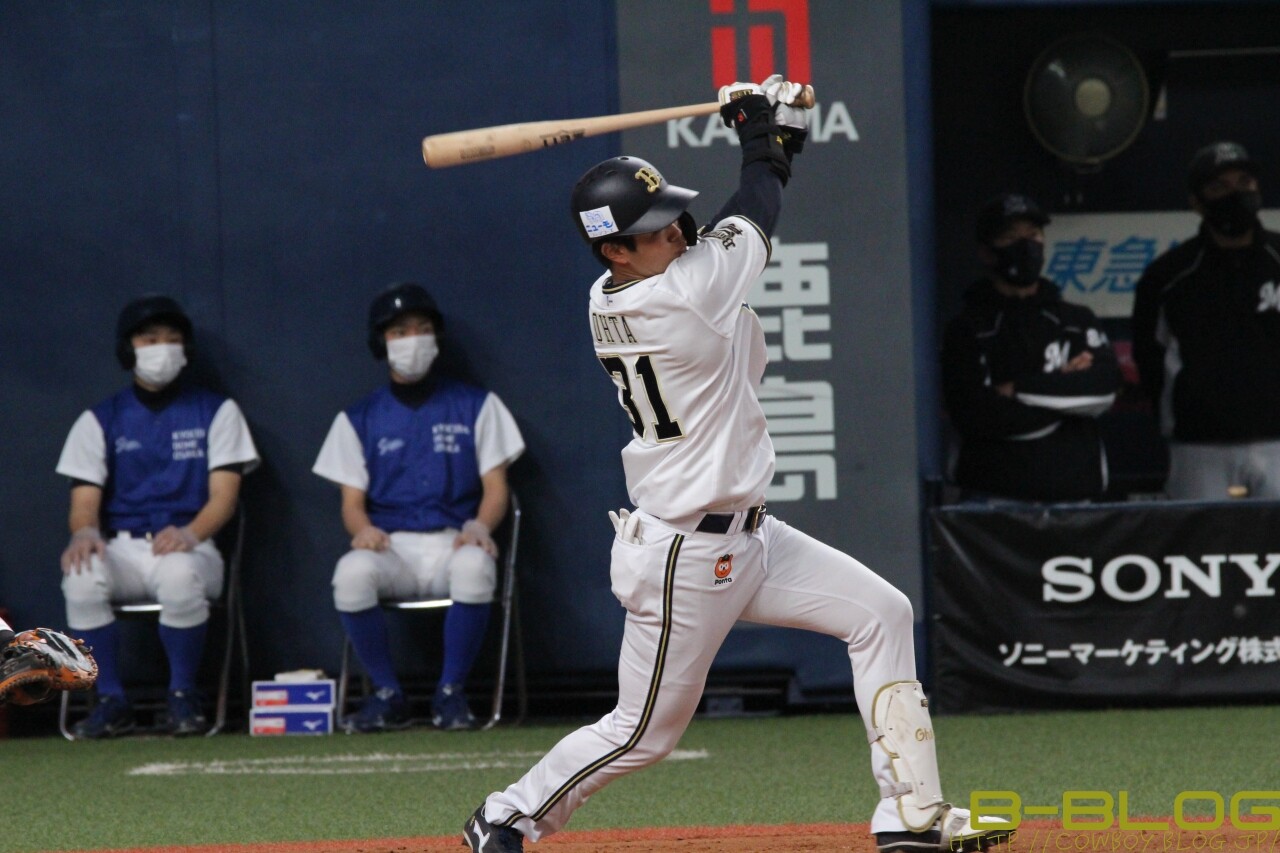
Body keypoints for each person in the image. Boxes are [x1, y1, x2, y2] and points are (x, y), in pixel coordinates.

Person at [461, 77, 1009, 853]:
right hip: (685, 553)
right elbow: (751, 210)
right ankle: (507, 815)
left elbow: (729, 217)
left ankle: (910, 814)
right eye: (653, 230)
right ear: (615, 249)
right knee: (642, 732)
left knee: (881, 612)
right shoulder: (677, 298)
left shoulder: (618, 289)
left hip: (748, 537)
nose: (675, 232)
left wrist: (778, 137)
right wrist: (762, 138)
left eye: (670, 217)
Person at [313, 282, 525, 733]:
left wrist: (480, 527)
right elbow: (351, 504)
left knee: (475, 567)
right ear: (381, 343)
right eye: (399, 332)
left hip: (455, 539)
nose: (413, 340)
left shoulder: (477, 405)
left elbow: (496, 488)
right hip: (392, 546)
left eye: (422, 329)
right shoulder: (358, 418)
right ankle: (387, 694)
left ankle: (451, 693)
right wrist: (362, 531)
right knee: (350, 574)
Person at [56, 295, 259, 738]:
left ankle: (183, 694)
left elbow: (224, 498)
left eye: (171, 339)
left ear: (186, 349)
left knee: (180, 575)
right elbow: (84, 502)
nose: (161, 348)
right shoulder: (100, 419)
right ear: (129, 348)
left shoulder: (217, 411)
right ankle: (110, 698)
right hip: (123, 546)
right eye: (149, 340)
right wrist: (84, 532)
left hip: (191, 546)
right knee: (81, 575)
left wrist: (190, 533)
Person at [940, 193, 1121, 502]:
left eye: (1034, 235)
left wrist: (1018, 389)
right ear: (986, 252)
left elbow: (1103, 389)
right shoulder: (968, 328)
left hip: (1076, 497)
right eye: (1011, 237)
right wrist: (1065, 392)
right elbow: (977, 415)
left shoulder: (1074, 319)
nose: (1026, 245)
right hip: (993, 500)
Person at [1131, 141, 1280, 500]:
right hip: (1200, 446)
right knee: (1203, 535)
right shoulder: (1169, 276)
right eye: (1220, 186)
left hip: (1278, 442)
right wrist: (1188, 414)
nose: (1236, 194)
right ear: (1197, 202)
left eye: (1244, 182)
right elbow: (1149, 359)